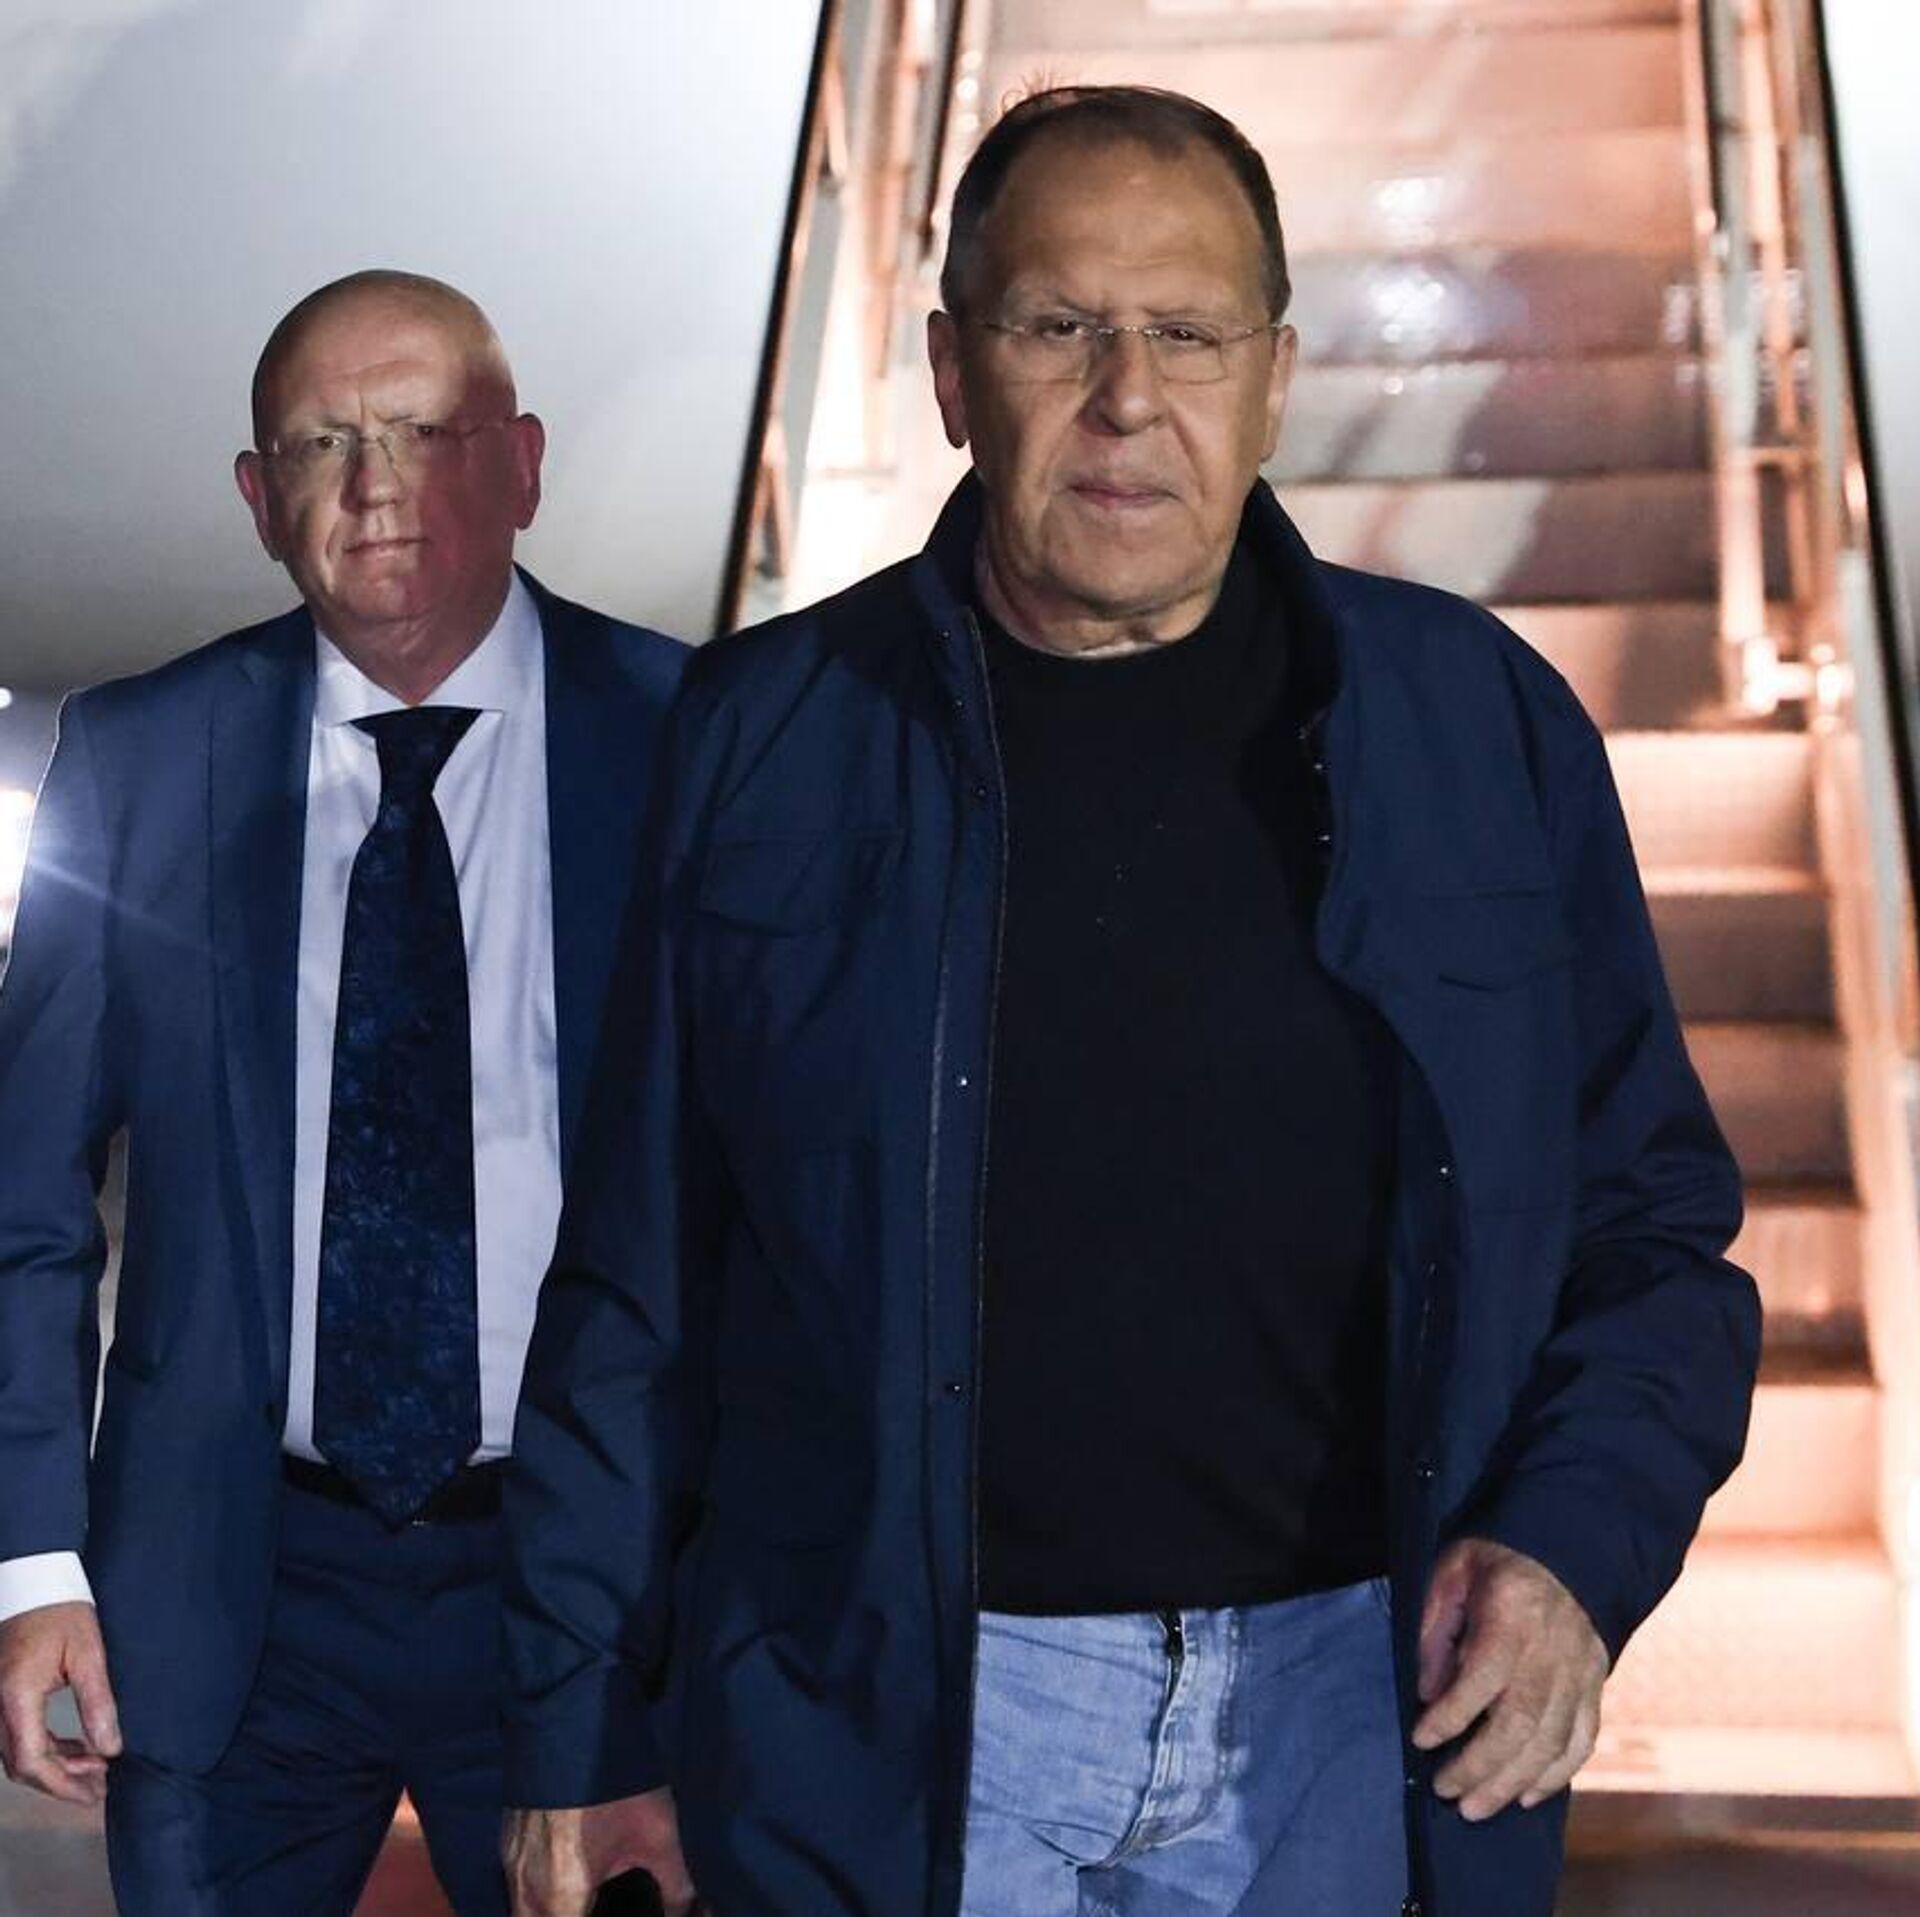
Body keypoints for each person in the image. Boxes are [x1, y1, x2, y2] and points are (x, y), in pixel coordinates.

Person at [501, 88, 1760, 1917]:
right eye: (1056, 326)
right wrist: (582, 1719)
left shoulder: (1479, 729)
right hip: (887, 1716)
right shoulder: (766, 737)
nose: (1125, 397)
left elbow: (1655, 1235)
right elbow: (636, 1285)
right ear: (953, 372)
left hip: (1354, 1709)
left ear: (1276, 379)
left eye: (1188, 335)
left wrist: (1571, 1547)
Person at [0, 269, 685, 1916]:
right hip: (233, 1590)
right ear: (260, 499)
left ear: (523, 465)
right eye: (322, 442)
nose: (375, 483)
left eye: (426, 431)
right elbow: (20, 1197)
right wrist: (30, 1558)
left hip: (590, 1587)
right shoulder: (142, 758)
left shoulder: (693, 736)